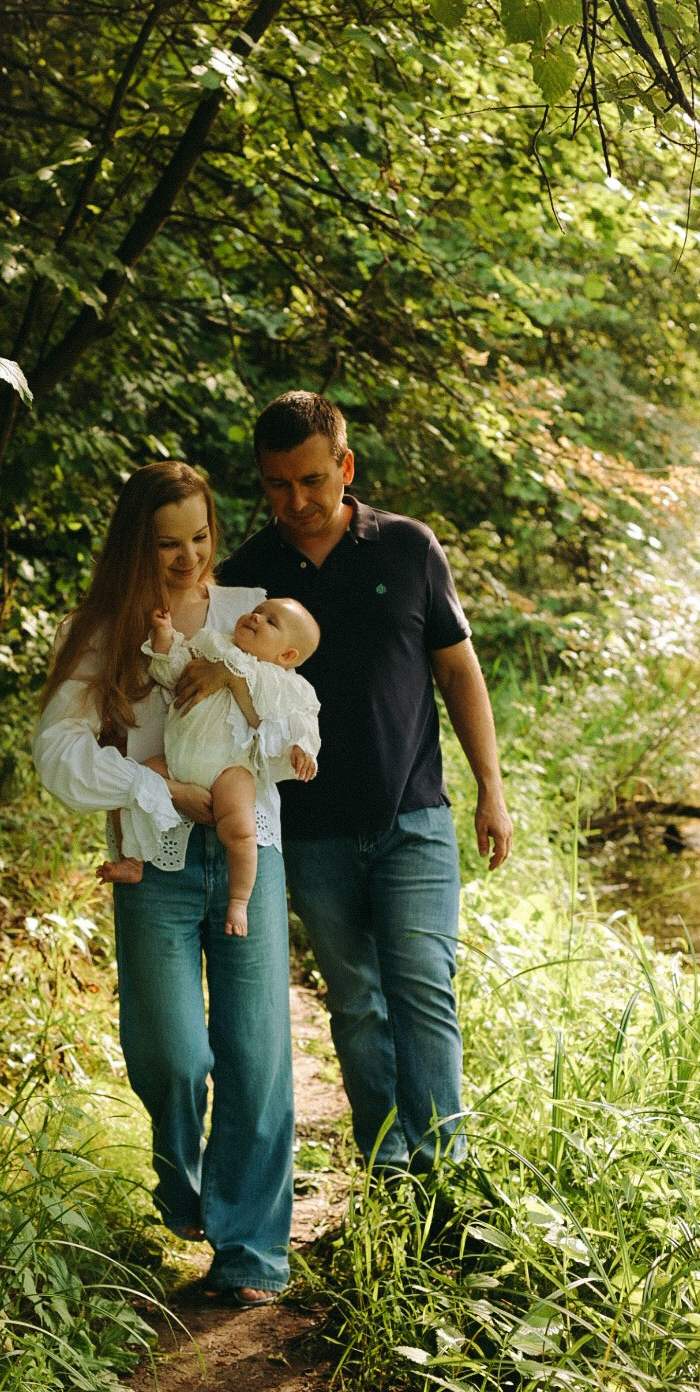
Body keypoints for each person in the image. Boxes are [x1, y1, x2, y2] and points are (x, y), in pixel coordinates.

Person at [180, 392, 514, 1174]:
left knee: (423, 988)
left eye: (311, 480)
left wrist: (490, 788)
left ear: (345, 466)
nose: (295, 501)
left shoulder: (407, 547)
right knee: (358, 1002)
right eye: (276, 485)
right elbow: (201, 680)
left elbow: (457, 668)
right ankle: (389, 1172)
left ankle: (445, 1176)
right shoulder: (247, 576)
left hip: (414, 814)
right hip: (311, 829)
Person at [33, 460, 294, 1304]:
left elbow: (295, 715)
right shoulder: (103, 628)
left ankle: (250, 1253)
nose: (190, 562)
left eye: (201, 539)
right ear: (135, 545)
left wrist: (249, 702)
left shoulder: (248, 611)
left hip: (249, 843)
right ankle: (182, 1179)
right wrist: (156, 788)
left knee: (255, 1052)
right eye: (168, 545)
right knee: (172, 1053)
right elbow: (60, 756)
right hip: (157, 859)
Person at [100, 598, 321, 939]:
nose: (256, 617)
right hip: (175, 759)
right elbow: (173, 674)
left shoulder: (283, 684)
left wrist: (303, 749)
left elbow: (295, 722)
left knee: (241, 830)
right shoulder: (212, 645)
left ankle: (238, 899)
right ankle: (132, 859)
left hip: (229, 769)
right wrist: (164, 637)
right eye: (258, 611)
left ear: (287, 656)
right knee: (131, 786)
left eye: (271, 622)